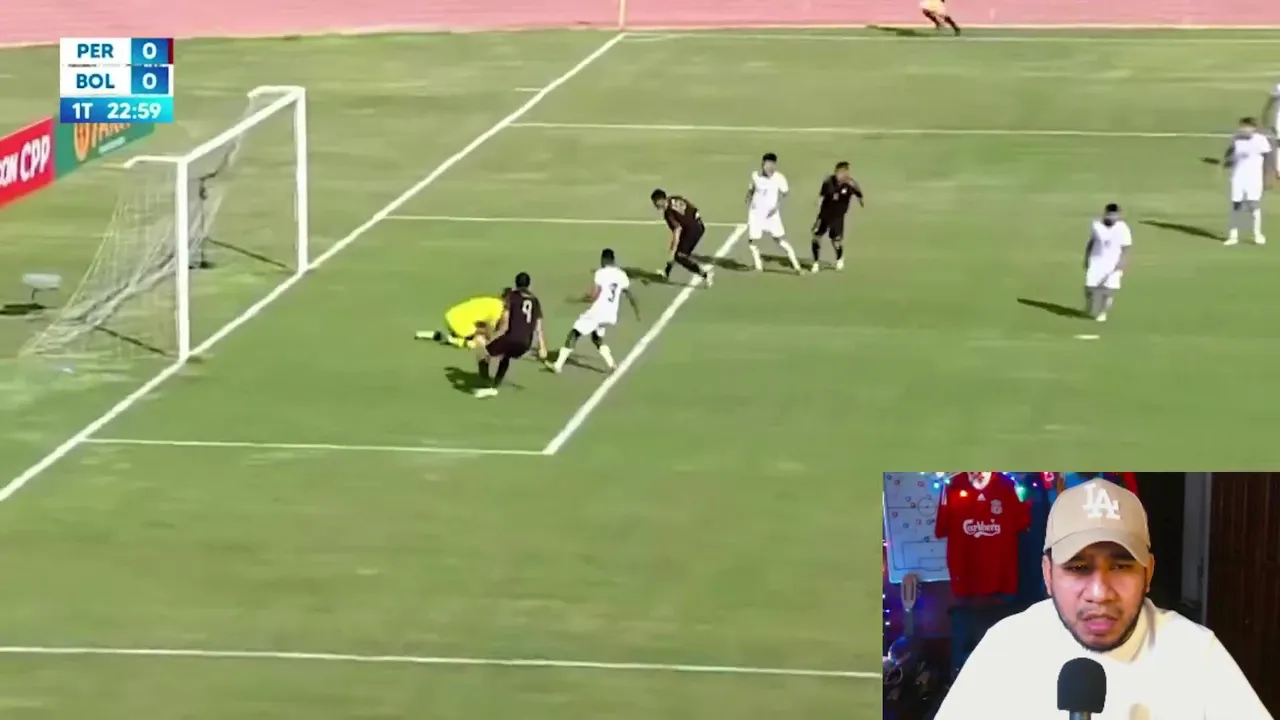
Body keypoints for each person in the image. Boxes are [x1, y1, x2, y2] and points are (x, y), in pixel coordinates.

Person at [932, 480, 1272, 720]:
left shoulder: (1196, 653)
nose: (1099, 593)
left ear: (1148, 573)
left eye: (1121, 566)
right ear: (1047, 574)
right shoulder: (1006, 647)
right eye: (1078, 567)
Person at [552, 248, 640, 373]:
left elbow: (594, 295)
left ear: (604, 259)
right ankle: (612, 365)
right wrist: (636, 310)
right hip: (611, 315)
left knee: (574, 333)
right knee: (596, 338)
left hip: (598, 311)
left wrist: (577, 300)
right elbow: (630, 294)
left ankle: (558, 365)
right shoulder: (622, 275)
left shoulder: (601, 273)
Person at [473, 272, 547, 399]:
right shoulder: (535, 301)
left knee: (483, 353)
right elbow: (538, 327)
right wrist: (542, 347)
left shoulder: (511, 297)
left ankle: (487, 384)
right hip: (525, 343)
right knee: (506, 356)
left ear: (516, 283)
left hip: (511, 337)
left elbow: (505, 324)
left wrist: (493, 338)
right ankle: (495, 385)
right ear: (529, 285)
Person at [745, 152, 802, 273]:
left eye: (772, 165)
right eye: (767, 165)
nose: (769, 168)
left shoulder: (779, 178)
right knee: (752, 241)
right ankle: (758, 267)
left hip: (771, 215)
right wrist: (748, 197)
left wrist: (777, 205)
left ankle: (797, 266)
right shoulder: (755, 176)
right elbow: (751, 189)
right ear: (762, 164)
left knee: (779, 240)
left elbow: (785, 193)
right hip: (756, 214)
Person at [1224, 116, 1273, 246]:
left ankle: (1257, 234)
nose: (1244, 130)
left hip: (1254, 178)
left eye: (1246, 127)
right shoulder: (1237, 140)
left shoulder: (1261, 140)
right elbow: (1229, 152)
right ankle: (1233, 236)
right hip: (1238, 177)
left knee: (1253, 205)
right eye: (1242, 127)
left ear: (1253, 128)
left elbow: (1268, 157)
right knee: (1236, 205)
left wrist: (1268, 176)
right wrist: (1228, 161)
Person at [650, 189, 714, 285]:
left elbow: (677, 230)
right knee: (679, 254)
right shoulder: (676, 198)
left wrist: (673, 248)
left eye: (655, 202)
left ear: (661, 200)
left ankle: (705, 274)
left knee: (679, 256)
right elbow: (694, 210)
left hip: (692, 231)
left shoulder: (668, 213)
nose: (655, 205)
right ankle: (666, 273)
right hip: (698, 225)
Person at [810, 161, 864, 273]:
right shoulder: (828, 182)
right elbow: (822, 194)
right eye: (837, 172)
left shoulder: (851, 184)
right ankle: (815, 263)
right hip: (824, 215)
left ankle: (839, 259)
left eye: (841, 172)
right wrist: (818, 201)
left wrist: (861, 201)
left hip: (838, 217)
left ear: (846, 173)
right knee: (816, 238)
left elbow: (859, 193)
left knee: (836, 241)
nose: (838, 175)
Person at [1083, 203, 1132, 322]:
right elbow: (1091, 242)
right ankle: (1090, 305)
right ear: (1105, 214)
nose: (1112, 217)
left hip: (1113, 263)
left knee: (1108, 291)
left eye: (1114, 215)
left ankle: (1103, 313)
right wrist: (1086, 258)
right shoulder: (1096, 225)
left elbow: (1126, 247)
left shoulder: (1123, 228)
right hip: (1096, 261)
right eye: (1109, 215)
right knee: (1089, 288)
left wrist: (1122, 262)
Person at [414, 292, 506, 349]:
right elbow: (490, 332)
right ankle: (454, 340)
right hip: (459, 325)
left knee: (482, 329)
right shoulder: (498, 311)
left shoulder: (494, 301)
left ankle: (433, 334)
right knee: (481, 341)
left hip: (452, 315)